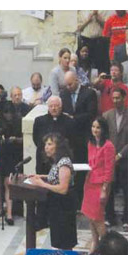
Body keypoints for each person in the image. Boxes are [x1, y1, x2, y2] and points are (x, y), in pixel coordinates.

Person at [32, 96, 74, 230]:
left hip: (59, 160)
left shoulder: (68, 121)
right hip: (43, 162)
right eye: (51, 106)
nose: (54, 108)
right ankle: (41, 220)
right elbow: (36, 140)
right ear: (48, 107)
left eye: (56, 106)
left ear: (61, 107)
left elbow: (71, 141)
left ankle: (53, 219)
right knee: (41, 192)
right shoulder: (40, 121)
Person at [30, 133, 77, 250]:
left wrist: (42, 184)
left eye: (50, 144)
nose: (46, 147)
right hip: (56, 205)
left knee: (64, 239)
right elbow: (55, 176)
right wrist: (41, 176)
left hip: (64, 205)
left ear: (58, 146)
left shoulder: (64, 162)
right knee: (57, 236)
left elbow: (62, 188)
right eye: (46, 144)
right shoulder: (57, 161)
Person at [60, 71, 98, 208]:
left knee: (83, 172)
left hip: (84, 138)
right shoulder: (63, 94)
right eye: (66, 84)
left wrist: (73, 119)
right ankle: (72, 201)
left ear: (76, 80)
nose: (68, 87)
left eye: (70, 84)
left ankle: (82, 201)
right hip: (69, 140)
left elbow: (91, 113)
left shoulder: (89, 93)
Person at [0, 87, 30, 225]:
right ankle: (0, 209)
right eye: (6, 113)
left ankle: (9, 213)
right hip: (0, 152)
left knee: (8, 183)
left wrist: (14, 139)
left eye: (10, 113)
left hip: (12, 154)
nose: (8, 115)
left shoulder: (18, 121)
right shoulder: (0, 121)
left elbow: (24, 139)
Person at [81, 117, 115, 255]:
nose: (95, 130)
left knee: (98, 218)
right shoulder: (91, 143)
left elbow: (109, 170)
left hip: (101, 185)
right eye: (93, 127)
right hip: (89, 183)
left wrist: (104, 190)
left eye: (98, 127)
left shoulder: (109, 146)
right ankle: (95, 245)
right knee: (90, 216)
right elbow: (91, 163)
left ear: (104, 129)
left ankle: (109, 251)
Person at [103, 88, 128, 230]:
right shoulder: (107, 116)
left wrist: (120, 154)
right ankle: (109, 217)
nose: (116, 101)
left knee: (126, 189)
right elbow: (103, 136)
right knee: (109, 189)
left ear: (124, 98)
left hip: (126, 159)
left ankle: (126, 218)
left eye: (118, 98)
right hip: (109, 159)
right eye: (114, 98)